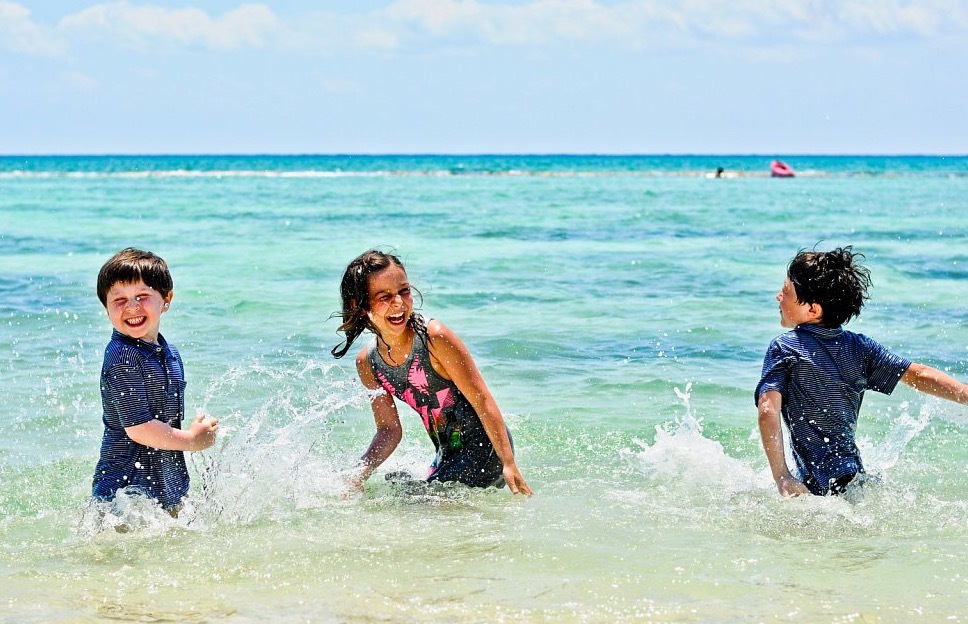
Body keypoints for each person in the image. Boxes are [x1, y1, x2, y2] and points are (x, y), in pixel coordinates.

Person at [755, 246, 968, 497]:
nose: (778, 296)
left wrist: (782, 476)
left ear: (813, 309)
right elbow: (918, 375)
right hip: (855, 479)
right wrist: (965, 394)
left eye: (786, 291)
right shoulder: (861, 347)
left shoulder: (785, 348)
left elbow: (768, 409)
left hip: (815, 488)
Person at [331, 250, 532, 495]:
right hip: (446, 456)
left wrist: (509, 464)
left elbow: (481, 398)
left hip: (486, 450)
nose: (399, 303)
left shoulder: (433, 337)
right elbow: (389, 431)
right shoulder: (368, 362)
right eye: (385, 296)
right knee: (396, 485)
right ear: (359, 306)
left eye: (404, 291)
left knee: (412, 509)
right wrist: (359, 472)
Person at [92, 248, 219, 513]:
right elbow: (138, 429)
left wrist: (192, 431)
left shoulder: (169, 353)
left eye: (142, 296)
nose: (131, 307)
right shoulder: (122, 356)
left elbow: (165, 418)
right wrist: (193, 440)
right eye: (119, 300)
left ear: (166, 299)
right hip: (123, 493)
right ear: (106, 307)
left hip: (166, 486)